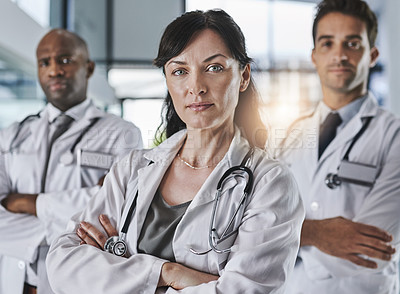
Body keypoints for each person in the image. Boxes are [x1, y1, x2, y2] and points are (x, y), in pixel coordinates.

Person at [46, 9, 304, 293]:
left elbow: (245, 290)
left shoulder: (271, 183)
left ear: (243, 76)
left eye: (214, 67)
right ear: (168, 82)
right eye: (180, 71)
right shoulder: (133, 168)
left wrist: (118, 269)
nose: (196, 87)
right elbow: (63, 266)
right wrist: (168, 272)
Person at [0, 29, 142, 294]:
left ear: (88, 68)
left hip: (78, 280)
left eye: (65, 60)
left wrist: (29, 203)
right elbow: (96, 213)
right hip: (14, 280)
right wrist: (72, 220)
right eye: (45, 62)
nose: (54, 70)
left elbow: (120, 213)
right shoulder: (12, 135)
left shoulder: (122, 134)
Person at [273, 0, 400, 293]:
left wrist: (284, 239)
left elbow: (372, 249)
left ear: (372, 55)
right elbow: (255, 221)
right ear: (314, 56)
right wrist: (317, 234)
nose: (339, 55)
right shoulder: (289, 134)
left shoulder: (393, 136)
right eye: (328, 43)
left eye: (352, 44)